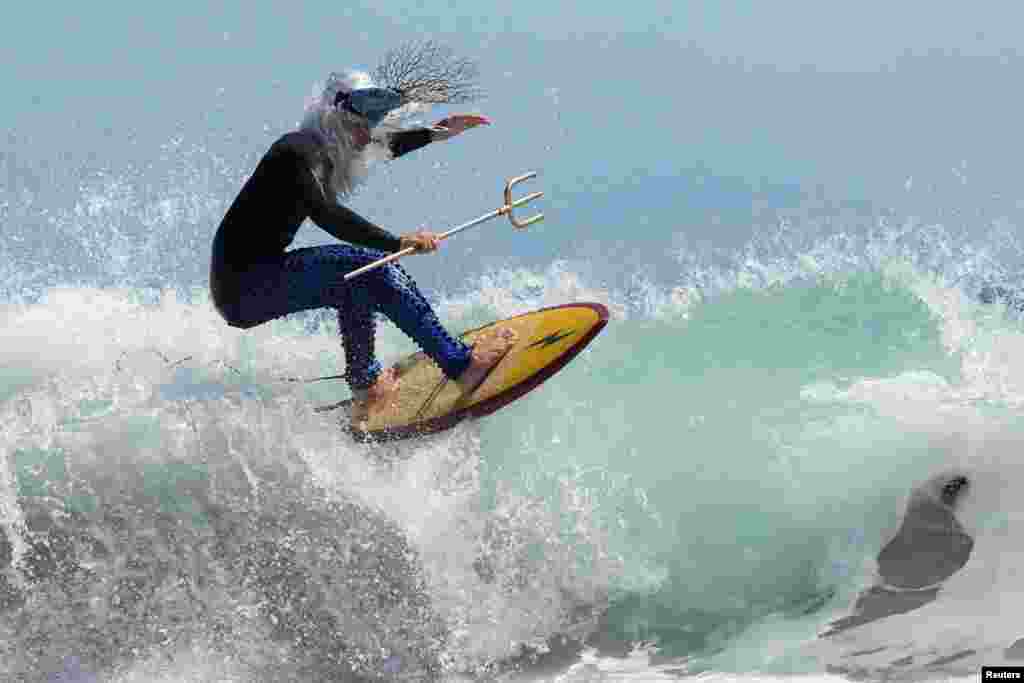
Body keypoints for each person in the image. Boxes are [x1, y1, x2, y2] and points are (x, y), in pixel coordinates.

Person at [209, 54, 517, 427]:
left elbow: (383, 144)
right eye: (360, 124)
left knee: (356, 282)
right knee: (370, 269)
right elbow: (325, 213)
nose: (365, 134)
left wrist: (437, 132)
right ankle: (462, 365)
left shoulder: (331, 146)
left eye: (371, 124)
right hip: (244, 285)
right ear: (334, 117)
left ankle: (366, 384)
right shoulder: (297, 152)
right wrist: (396, 241)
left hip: (256, 278)